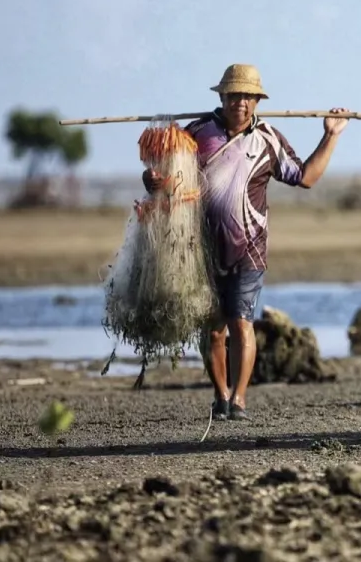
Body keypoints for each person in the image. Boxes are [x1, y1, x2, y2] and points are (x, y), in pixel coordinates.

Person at [142, 63, 349, 421]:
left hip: (249, 247)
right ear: (222, 97)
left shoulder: (268, 137)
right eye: (235, 95)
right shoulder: (195, 134)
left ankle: (239, 399)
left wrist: (331, 135)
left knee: (241, 322)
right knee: (213, 328)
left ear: (257, 100)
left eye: (248, 96)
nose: (241, 102)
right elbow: (166, 178)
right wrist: (153, 180)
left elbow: (305, 177)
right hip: (199, 247)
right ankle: (220, 394)